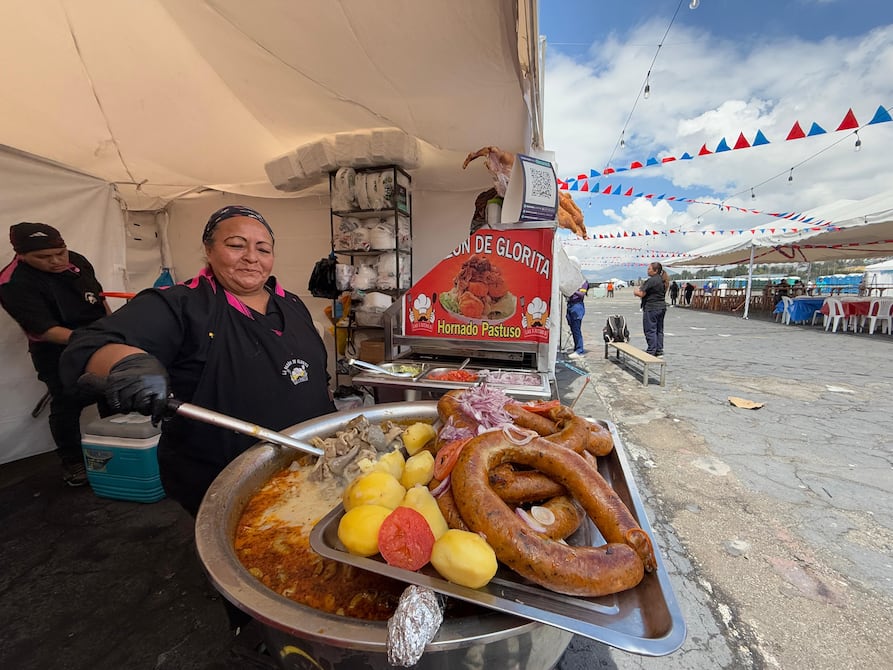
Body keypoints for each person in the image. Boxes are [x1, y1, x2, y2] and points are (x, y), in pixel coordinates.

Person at [60, 205, 336, 516]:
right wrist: (128, 363)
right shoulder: (181, 304)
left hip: (315, 462)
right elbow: (89, 345)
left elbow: (313, 372)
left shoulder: (292, 302)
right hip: (229, 476)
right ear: (208, 249)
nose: (251, 257)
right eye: (235, 245)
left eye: (263, 248)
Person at [0, 222, 110, 487]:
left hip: (98, 337)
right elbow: (45, 330)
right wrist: (89, 340)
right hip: (56, 348)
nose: (56, 261)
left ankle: (117, 445)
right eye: (44, 257)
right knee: (67, 402)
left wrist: (112, 327)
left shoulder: (77, 261)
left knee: (111, 392)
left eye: (60, 252)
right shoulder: (12, 282)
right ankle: (73, 462)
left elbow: (98, 296)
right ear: (21, 255)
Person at [633, 262, 668, 356]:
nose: (647, 270)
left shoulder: (652, 280)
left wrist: (635, 292)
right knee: (659, 329)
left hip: (652, 307)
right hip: (661, 307)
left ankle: (651, 350)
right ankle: (659, 349)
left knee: (650, 329)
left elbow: (642, 293)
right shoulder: (661, 280)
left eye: (649, 269)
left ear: (655, 270)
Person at [565, 279, 589, 359]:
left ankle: (579, 350)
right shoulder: (573, 281)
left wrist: (572, 291)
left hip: (577, 305)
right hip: (570, 304)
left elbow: (582, 294)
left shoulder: (583, 282)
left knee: (576, 329)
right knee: (572, 327)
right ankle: (576, 348)